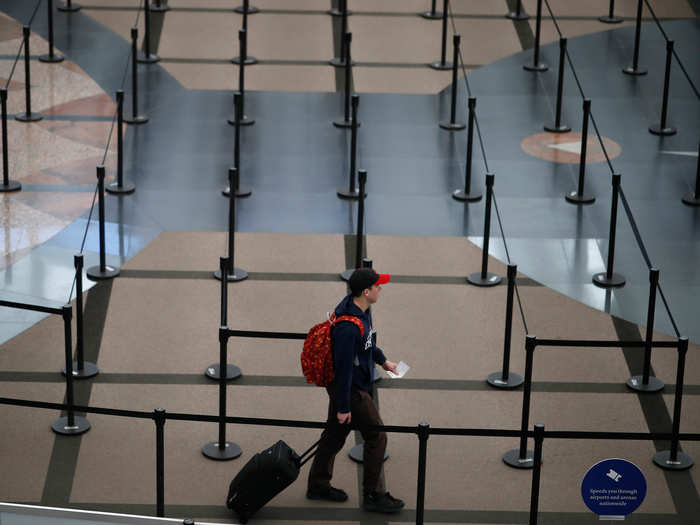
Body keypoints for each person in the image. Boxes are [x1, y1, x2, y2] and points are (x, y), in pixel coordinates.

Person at [307, 268, 405, 513]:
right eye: (377, 286)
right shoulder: (348, 328)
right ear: (366, 291)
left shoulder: (362, 311)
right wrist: (343, 407)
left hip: (351, 388)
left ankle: (318, 485)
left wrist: (384, 362)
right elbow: (343, 371)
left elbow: (369, 341)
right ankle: (374, 494)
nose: (380, 289)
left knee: (334, 436)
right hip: (352, 391)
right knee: (376, 436)